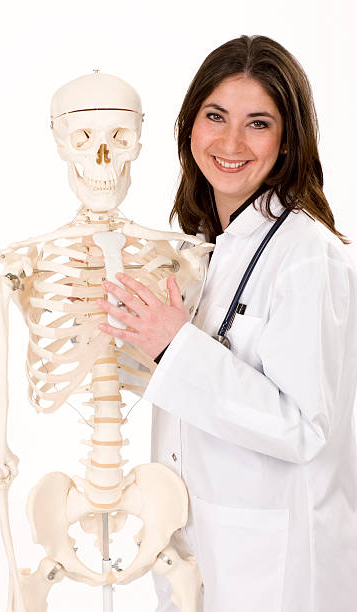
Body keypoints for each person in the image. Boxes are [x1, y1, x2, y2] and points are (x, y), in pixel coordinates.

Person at [96, 35, 357, 612]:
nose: (231, 142)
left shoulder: (306, 254)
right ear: (189, 127)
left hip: (274, 565)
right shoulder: (213, 248)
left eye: (258, 123)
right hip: (204, 546)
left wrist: (174, 347)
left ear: (288, 141)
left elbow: (302, 425)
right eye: (215, 116)